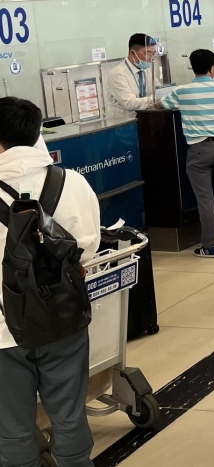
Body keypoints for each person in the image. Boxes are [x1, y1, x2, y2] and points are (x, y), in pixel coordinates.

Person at [0, 97, 100, 467]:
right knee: (70, 414)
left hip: (3, 333)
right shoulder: (71, 182)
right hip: (64, 318)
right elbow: (87, 248)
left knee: (12, 427)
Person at [159, 49, 214, 258]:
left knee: (205, 199)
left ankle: (211, 246)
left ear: (192, 67)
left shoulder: (182, 91)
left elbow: (162, 105)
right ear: (213, 68)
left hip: (199, 150)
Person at [106, 33, 159, 120]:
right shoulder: (117, 74)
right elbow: (130, 103)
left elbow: (158, 90)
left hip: (146, 121)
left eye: (154, 54)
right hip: (124, 127)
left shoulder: (147, 69)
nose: (151, 58)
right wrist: (155, 99)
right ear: (132, 53)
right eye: (148, 53)